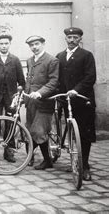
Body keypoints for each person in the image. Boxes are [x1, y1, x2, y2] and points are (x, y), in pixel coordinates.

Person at [56, 27, 96, 180]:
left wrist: (75, 90)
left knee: (84, 134)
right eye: (69, 37)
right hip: (67, 102)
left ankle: (84, 165)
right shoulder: (60, 56)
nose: (72, 40)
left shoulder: (86, 55)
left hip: (83, 101)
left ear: (80, 39)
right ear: (65, 39)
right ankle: (75, 161)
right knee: (73, 133)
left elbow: (90, 77)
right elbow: (57, 79)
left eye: (75, 37)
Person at [0, 34, 25, 165]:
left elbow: (21, 81)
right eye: (1, 44)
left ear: (10, 44)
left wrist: (18, 93)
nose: (4, 46)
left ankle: (9, 151)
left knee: (11, 123)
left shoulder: (14, 60)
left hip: (11, 97)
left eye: (6, 43)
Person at [24, 35, 59, 170]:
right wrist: (24, 95)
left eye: (37, 44)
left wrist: (40, 92)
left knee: (38, 132)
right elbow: (29, 79)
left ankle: (46, 159)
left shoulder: (52, 60)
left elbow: (53, 82)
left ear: (43, 44)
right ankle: (38, 158)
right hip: (31, 102)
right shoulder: (30, 60)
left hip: (44, 102)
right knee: (29, 129)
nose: (34, 47)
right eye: (31, 45)